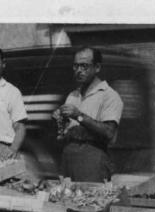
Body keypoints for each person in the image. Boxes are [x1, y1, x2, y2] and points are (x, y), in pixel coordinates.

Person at [52, 47, 124, 182]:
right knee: (65, 200)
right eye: (76, 66)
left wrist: (79, 115)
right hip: (69, 156)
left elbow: (109, 133)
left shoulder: (109, 95)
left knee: (88, 200)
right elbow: (64, 133)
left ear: (97, 67)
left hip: (92, 157)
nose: (79, 70)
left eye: (84, 66)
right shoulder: (73, 95)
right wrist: (60, 120)